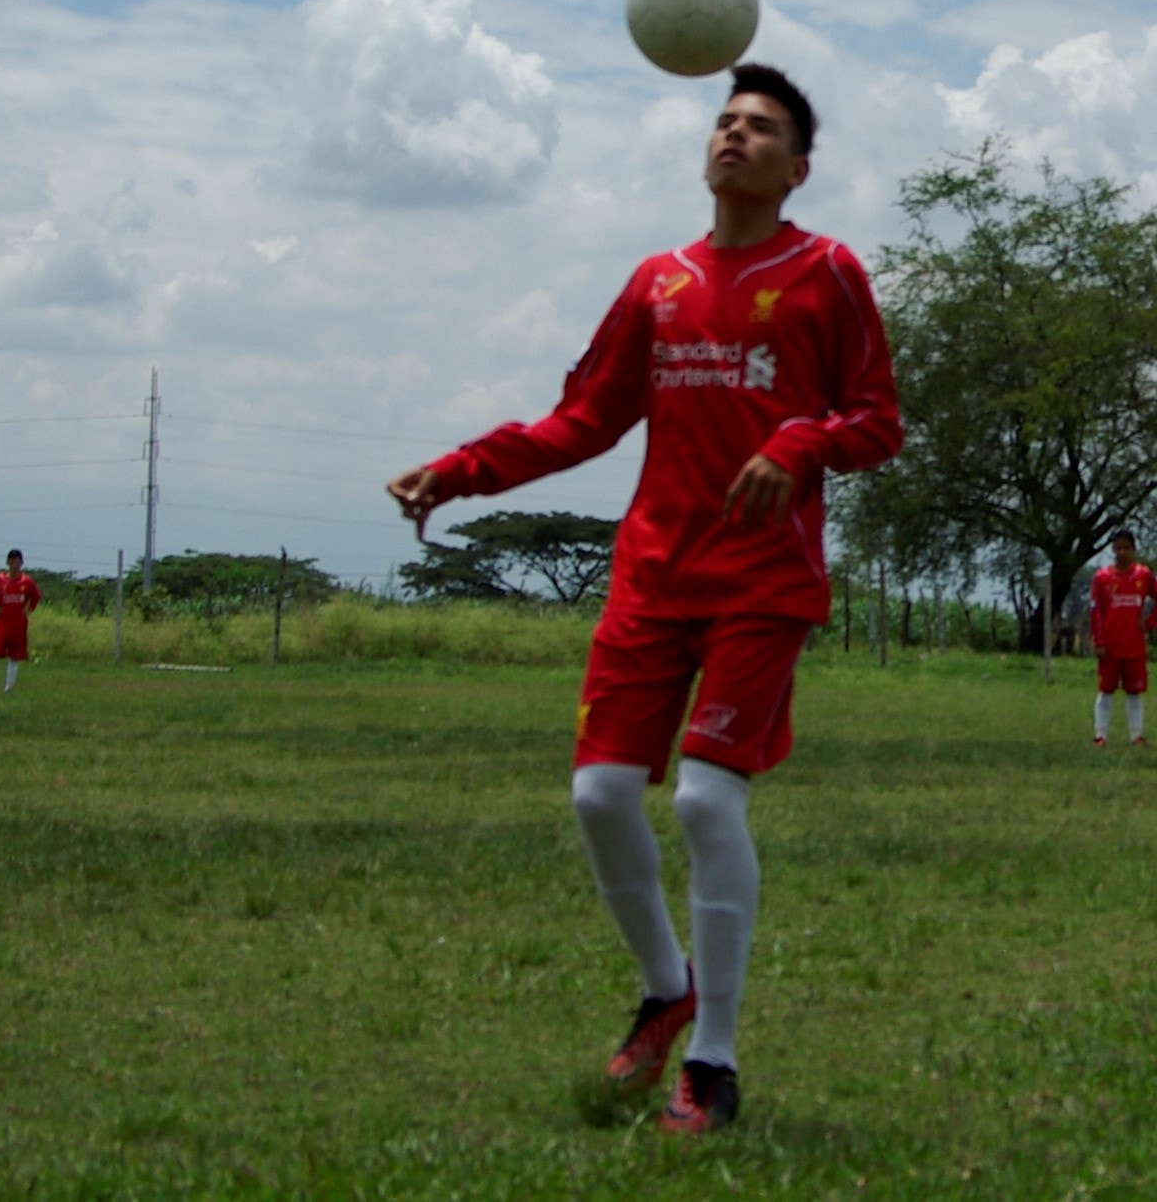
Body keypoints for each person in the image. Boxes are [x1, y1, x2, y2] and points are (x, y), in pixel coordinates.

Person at [386, 64, 901, 1135]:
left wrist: (796, 440)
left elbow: (873, 422)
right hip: (652, 575)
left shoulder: (826, 270)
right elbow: (581, 418)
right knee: (598, 795)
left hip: (763, 579)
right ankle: (666, 989)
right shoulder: (654, 282)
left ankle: (710, 1063)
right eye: (723, 120)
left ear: (794, 166)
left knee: (708, 801)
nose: (733, 134)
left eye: (759, 127)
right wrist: (461, 466)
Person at [1090, 530, 1155, 746]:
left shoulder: (1143, 576)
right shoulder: (1102, 578)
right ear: (1112, 550)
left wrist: (1148, 623)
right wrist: (1099, 642)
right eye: (1118, 548)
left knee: (1134, 692)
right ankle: (1101, 735)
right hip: (1110, 645)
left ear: (1134, 549)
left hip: (1134, 645)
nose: (1122, 552)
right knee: (1105, 690)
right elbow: (1095, 611)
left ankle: (1136, 736)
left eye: (1126, 547)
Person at [0, 549, 41, 693]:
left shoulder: (27, 582)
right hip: (3, 622)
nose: (15, 565)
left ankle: (8, 688)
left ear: (22, 563)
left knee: (15, 656)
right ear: (7, 563)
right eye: (12, 561)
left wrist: (29, 609)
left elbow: (36, 596)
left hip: (19, 623)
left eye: (17, 562)